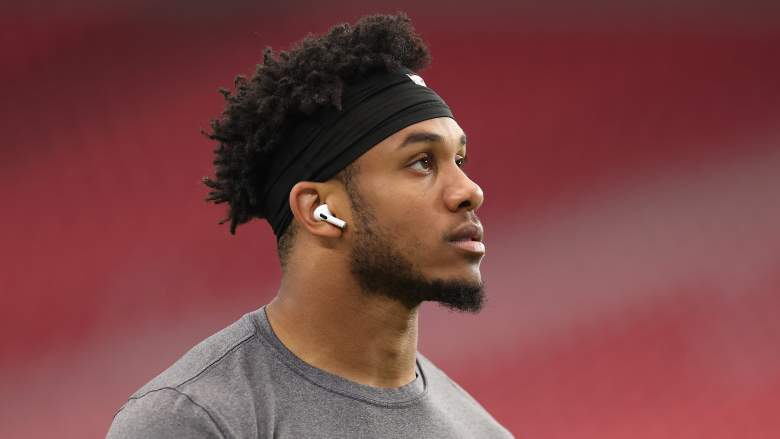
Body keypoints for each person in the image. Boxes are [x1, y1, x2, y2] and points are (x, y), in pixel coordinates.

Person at [107, 12, 513, 438]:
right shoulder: (197, 420)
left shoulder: (481, 432)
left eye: (460, 161)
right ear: (319, 209)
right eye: (421, 162)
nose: (469, 191)